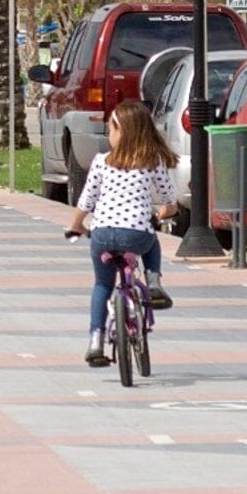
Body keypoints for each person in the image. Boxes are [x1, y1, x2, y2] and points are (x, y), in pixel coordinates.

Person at [61, 98, 177, 366]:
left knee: (102, 284)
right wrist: (163, 213)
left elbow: (86, 201)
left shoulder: (101, 161)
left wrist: (76, 226)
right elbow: (169, 200)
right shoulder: (152, 161)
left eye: (111, 129)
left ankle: (95, 341)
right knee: (152, 240)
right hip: (136, 234)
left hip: (101, 234)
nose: (109, 135)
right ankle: (154, 282)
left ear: (122, 131)